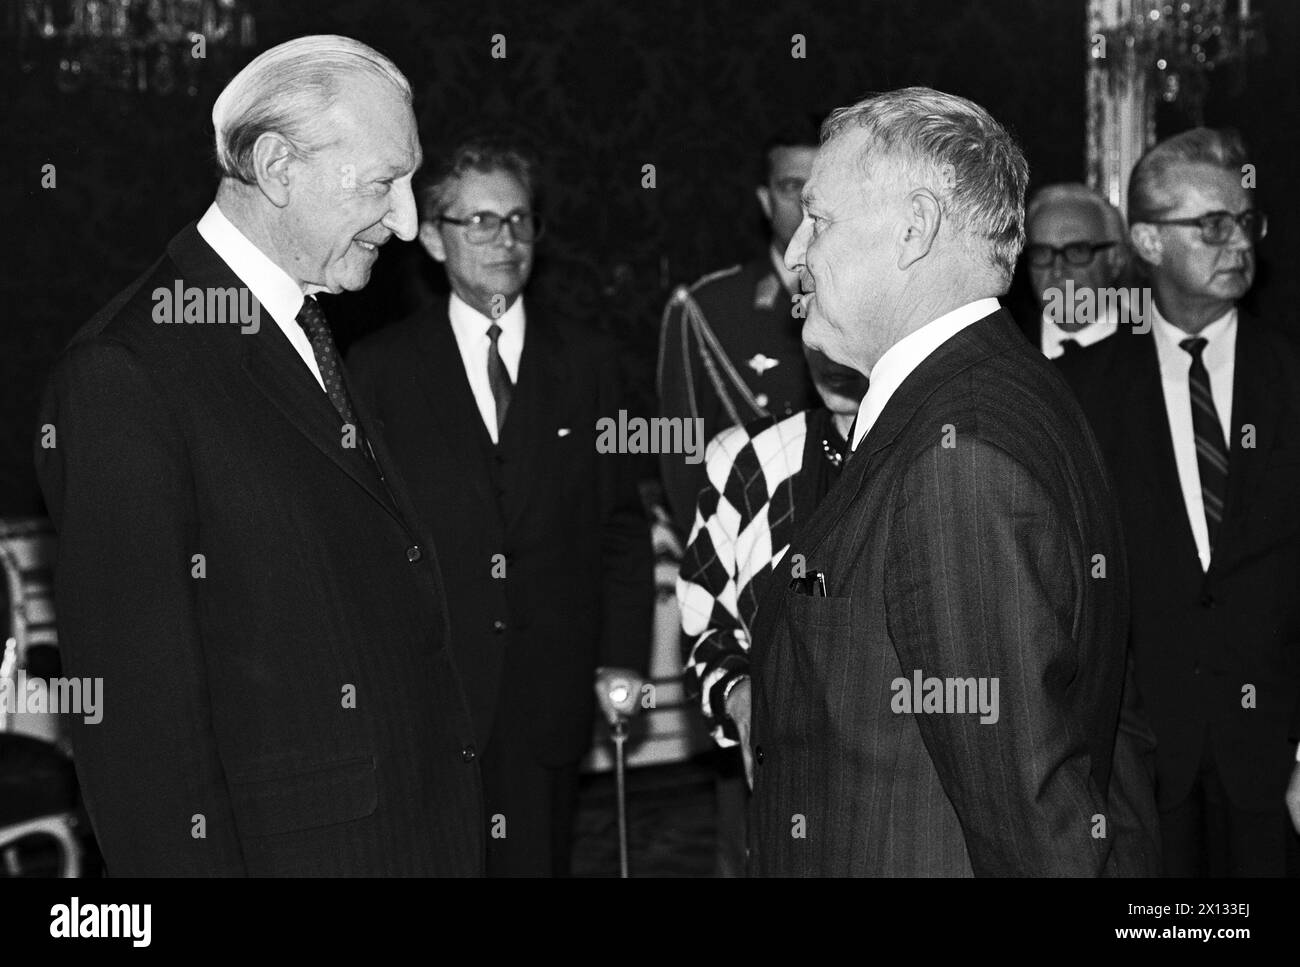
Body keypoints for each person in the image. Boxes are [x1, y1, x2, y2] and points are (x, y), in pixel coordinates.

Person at [34, 36, 484, 875]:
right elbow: (140, 733)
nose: (409, 221)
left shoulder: (304, 324)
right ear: (278, 166)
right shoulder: (126, 373)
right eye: (384, 182)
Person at [748, 86, 1159, 876]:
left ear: (916, 228)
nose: (796, 253)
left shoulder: (957, 455)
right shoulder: (1006, 392)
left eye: (820, 219)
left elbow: (1039, 832)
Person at [348, 138, 653, 877]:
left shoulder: (589, 362)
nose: (506, 240)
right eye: (480, 220)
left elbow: (620, 525)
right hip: (430, 689)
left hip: (547, 687)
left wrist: (624, 660)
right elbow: (360, 543)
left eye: (519, 219)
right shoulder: (377, 371)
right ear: (430, 235)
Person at [1058, 127, 1300, 877]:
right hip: (1137, 762)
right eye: (1211, 225)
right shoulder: (1080, 392)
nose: (1238, 243)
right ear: (1147, 243)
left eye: (1245, 222)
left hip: (1276, 761)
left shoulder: (1292, 379)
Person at [678, 348, 867, 875]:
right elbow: (705, 621)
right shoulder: (746, 458)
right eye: (813, 324)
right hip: (780, 794)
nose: (831, 347)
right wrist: (740, 696)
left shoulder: (936, 446)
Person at [657, 120, 822, 539]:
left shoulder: (876, 299)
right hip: (745, 540)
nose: (806, 204)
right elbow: (680, 446)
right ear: (765, 202)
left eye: (819, 188)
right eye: (790, 187)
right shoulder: (708, 308)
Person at [1022, 182, 1130, 358]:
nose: (1058, 271)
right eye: (1042, 253)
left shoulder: (1154, 352)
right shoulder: (999, 353)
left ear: (1115, 258)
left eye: (1077, 251)